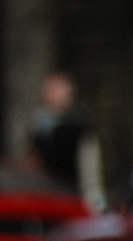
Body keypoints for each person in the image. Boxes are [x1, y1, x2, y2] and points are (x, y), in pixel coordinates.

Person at [31, 72, 106, 210]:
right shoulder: (40, 125)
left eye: (57, 91)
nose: (53, 95)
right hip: (45, 195)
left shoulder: (79, 129)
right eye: (51, 90)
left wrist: (94, 203)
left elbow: (89, 171)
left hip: (71, 195)